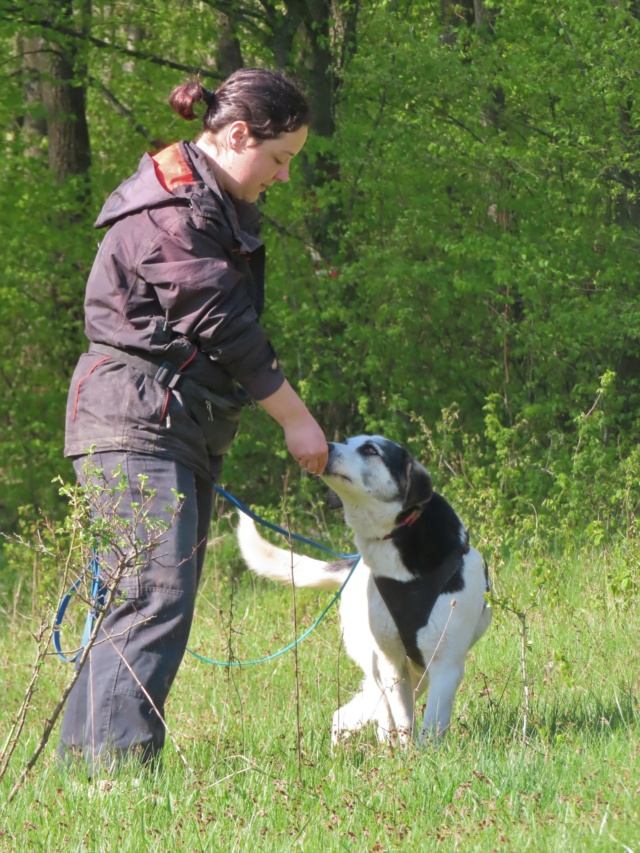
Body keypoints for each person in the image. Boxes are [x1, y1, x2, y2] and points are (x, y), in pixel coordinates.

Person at [58, 68, 328, 774]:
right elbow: (226, 324)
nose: (282, 177)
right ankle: (112, 780)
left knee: (140, 599)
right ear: (238, 134)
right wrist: (298, 421)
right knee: (153, 595)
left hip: (169, 423)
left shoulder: (208, 200)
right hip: (132, 419)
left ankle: (86, 773)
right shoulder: (171, 210)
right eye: (279, 159)